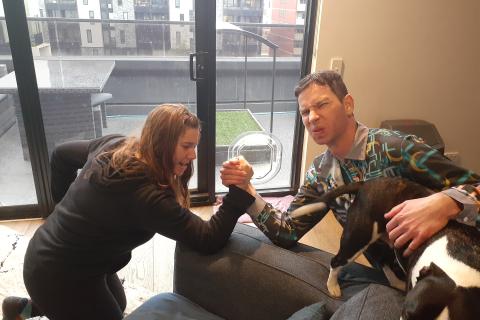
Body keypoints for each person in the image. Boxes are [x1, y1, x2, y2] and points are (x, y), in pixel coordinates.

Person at [221, 70, 480, 291]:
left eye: (321, 105)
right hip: (401, 283)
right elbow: (286, 232)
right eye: (305, 112)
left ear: (348, 104)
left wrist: (445, 203)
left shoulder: (397, 148)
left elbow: (474, 185)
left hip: (461, 275)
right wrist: (247, 189)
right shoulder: (320, 174)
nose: (312, 117)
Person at [2, 104, 255, 320]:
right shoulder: (148, 196)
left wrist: (61, 209)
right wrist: (240, 192)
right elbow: (208, 238)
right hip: (58, 275)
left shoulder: (116, 145)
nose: (194, 154)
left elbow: (60, 156)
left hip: (54, 254)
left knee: (118, 304)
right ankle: (48, 304)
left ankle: (22, 309)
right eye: (187, 146)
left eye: (195, 145)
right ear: (162, 142)